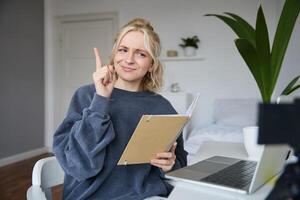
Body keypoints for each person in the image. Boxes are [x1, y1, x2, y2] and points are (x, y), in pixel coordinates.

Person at [53, 18, 187, 200]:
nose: (129, 59)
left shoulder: (163, 107)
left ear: (152, 64)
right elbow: (79, 166)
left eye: (141, 54)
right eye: (123, 50)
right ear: (114, 55)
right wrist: (101, 100)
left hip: (147, 196)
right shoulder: (86, 96)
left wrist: (170, 165)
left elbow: (179, 168)